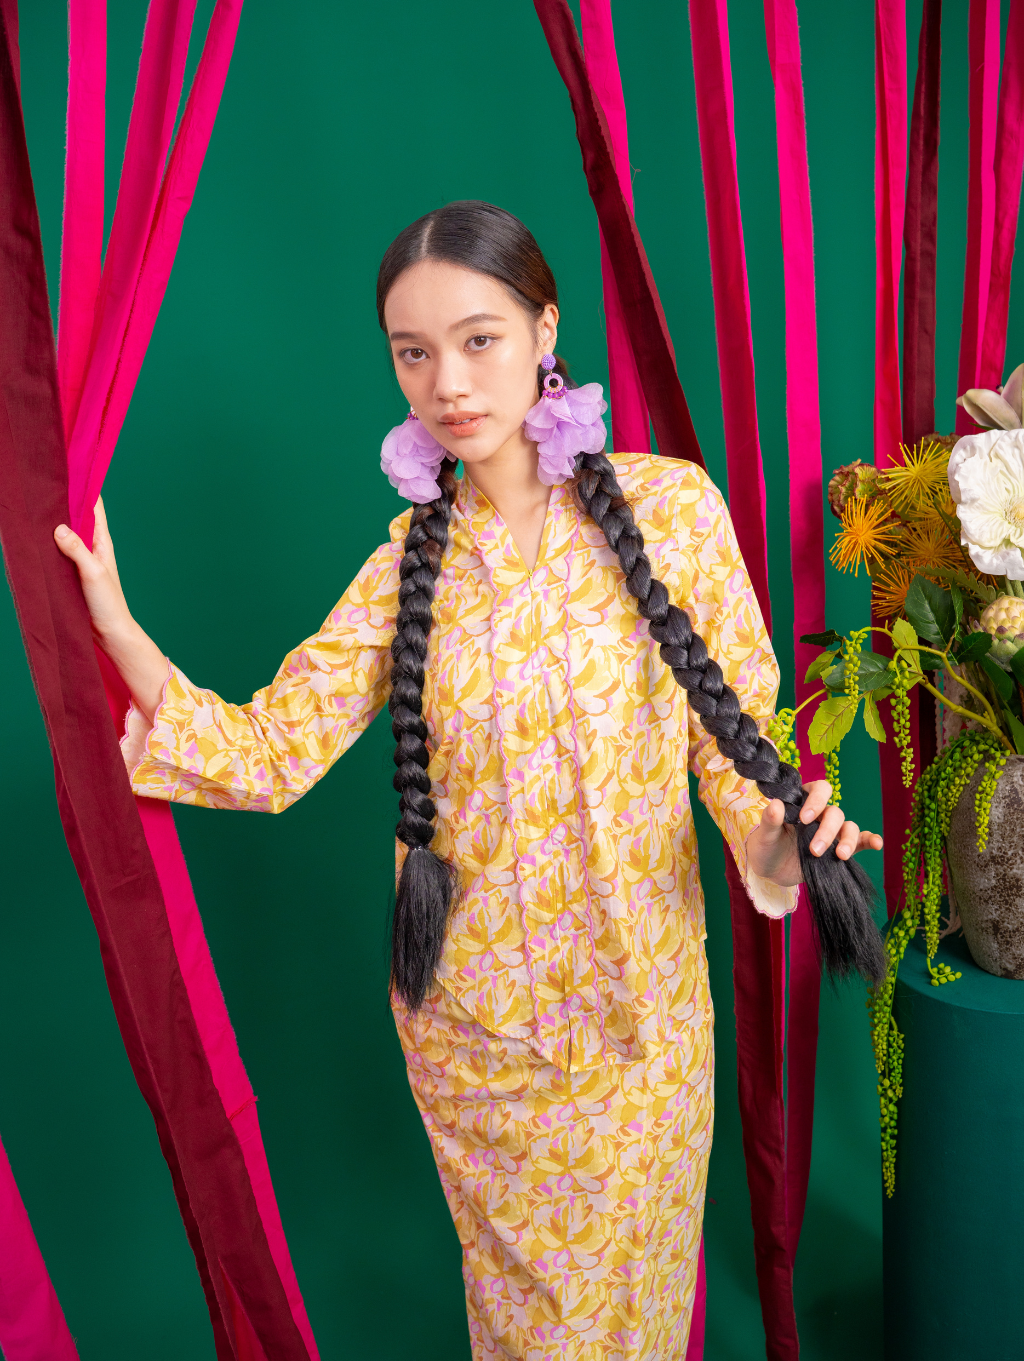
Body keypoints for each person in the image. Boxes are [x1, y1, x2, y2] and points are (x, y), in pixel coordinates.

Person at [55, 201, 881, 1360]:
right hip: (474, 1035)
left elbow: (732, 747)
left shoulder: (674, 511)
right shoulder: (407, 566)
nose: (446, 381)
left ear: (546, 329)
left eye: (477, 338)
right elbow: (271, 752)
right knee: (525, 1333)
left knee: (629, 1326)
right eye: (413, 352)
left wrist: (782, 836)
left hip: (640, 1027)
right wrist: (115, 624)